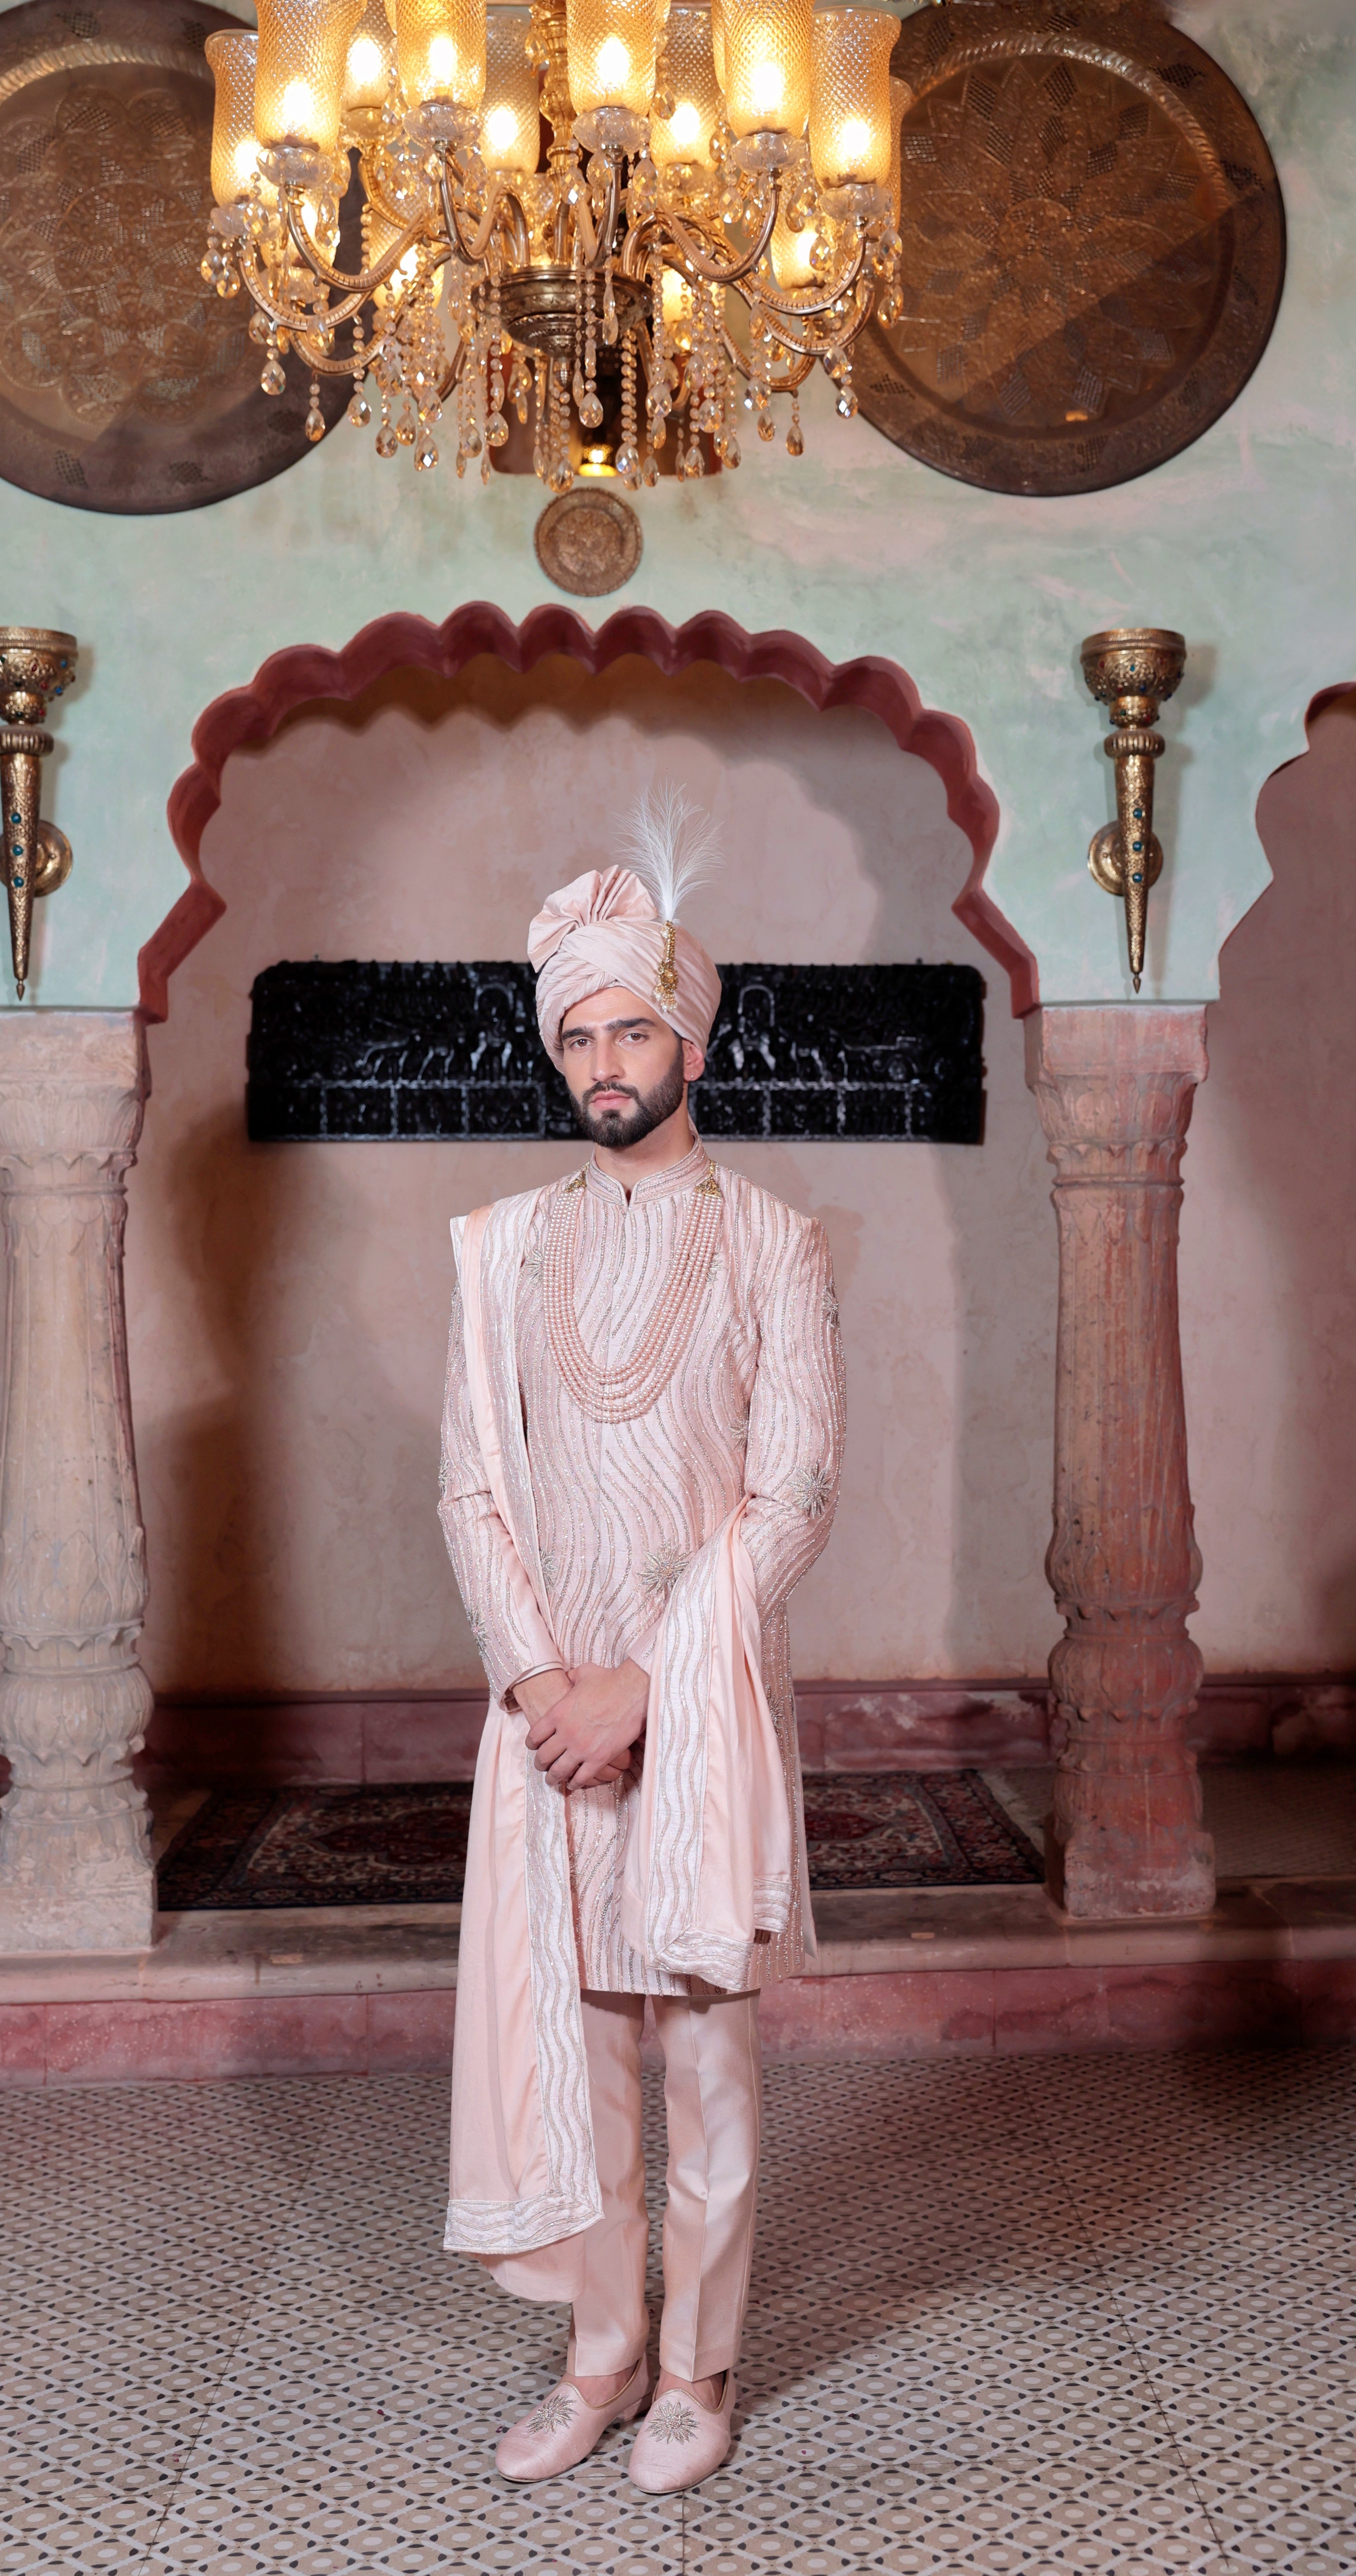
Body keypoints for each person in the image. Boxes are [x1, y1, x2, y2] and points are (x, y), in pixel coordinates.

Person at [438, 789, 845, 2495]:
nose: (603, 1057)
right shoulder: (497, 1248)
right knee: (576, 2042)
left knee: (702, 2049)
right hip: (547, 1721)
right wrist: (543, 1686)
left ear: (691, 1030)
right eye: (578, 1032)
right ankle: (600, 2351)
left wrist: (643, 1683)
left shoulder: (772, 1240)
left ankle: (699, 2365)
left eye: (631, 1024)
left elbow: (793, 1488)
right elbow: (469, 1486)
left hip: (697, 1704)